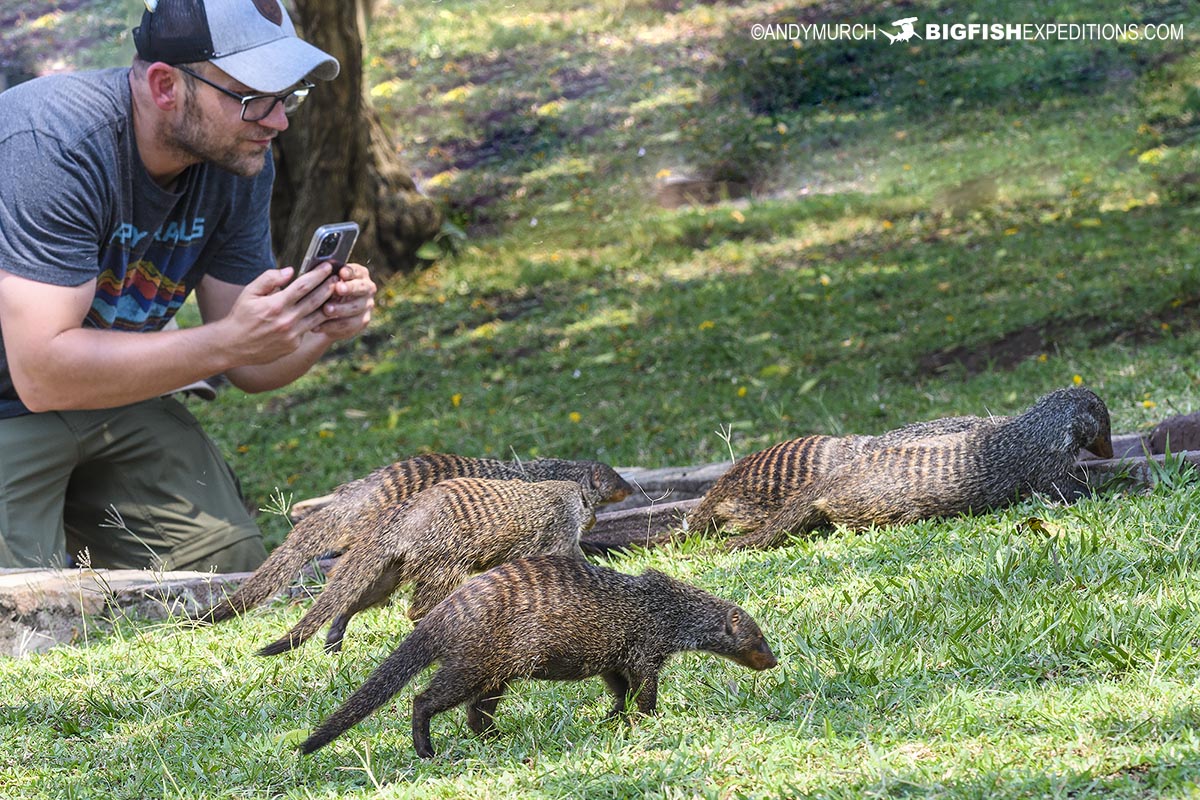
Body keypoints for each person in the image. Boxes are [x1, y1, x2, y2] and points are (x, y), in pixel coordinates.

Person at [0, 0, 377, 572]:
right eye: (254, 97)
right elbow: (44, 373)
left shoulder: (237, 156)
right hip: (14, 403)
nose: (278, 122)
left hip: (111, 397)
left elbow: (251, 367)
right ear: (165, 85)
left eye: (287, 98)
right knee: (27, 623)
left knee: (229, 574)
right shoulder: (52, 142)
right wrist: (229, 341)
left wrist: (315, 324)